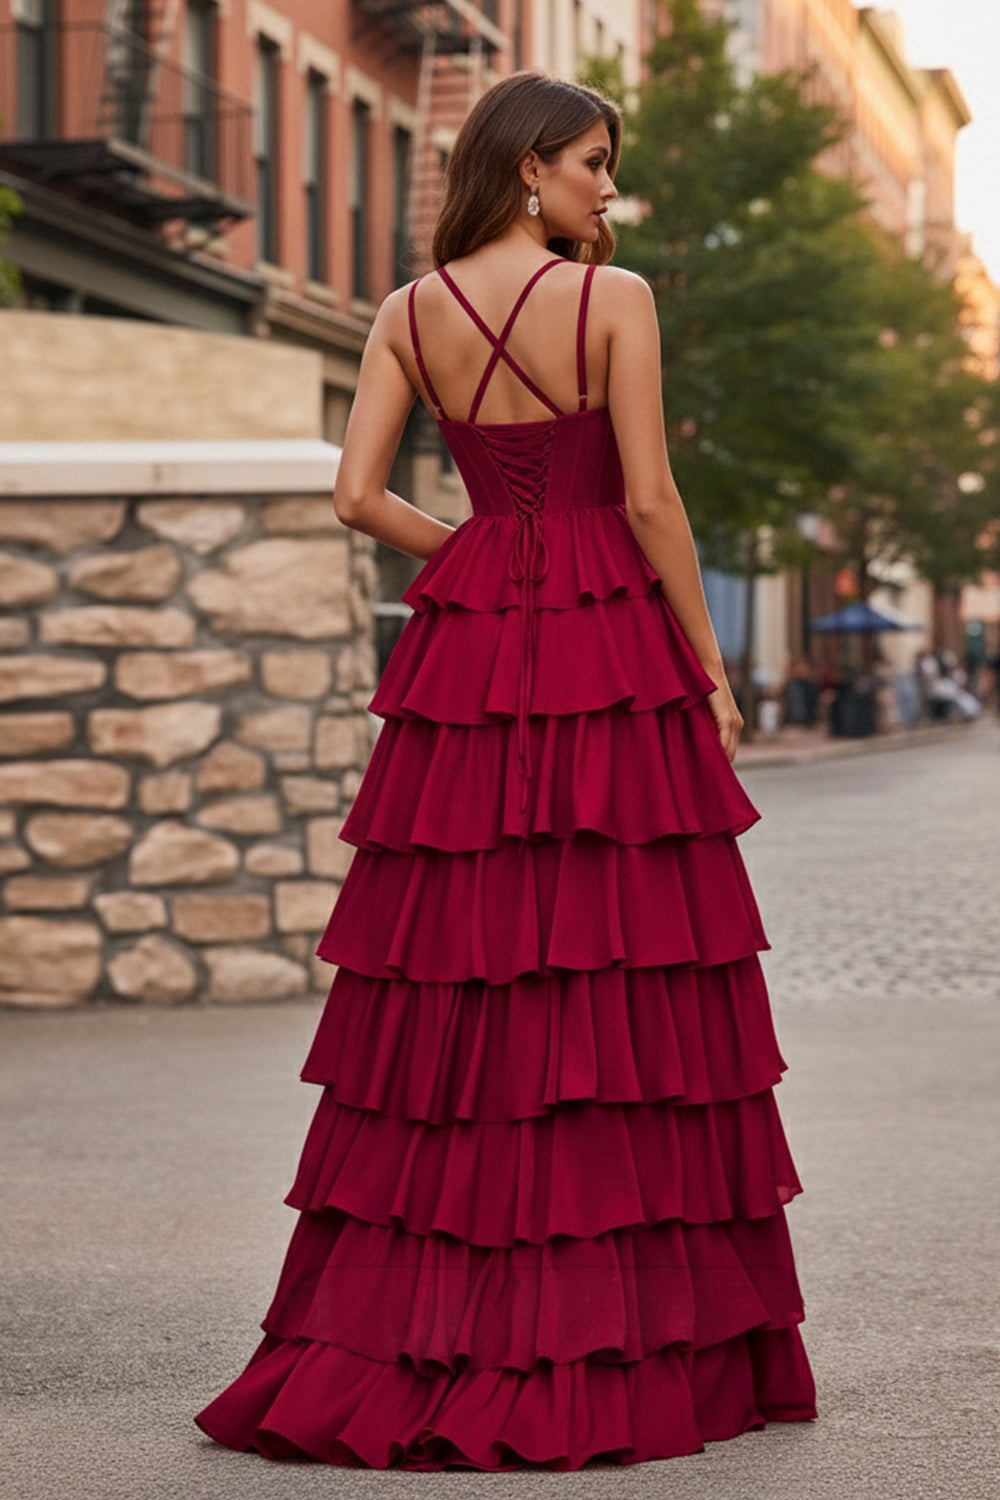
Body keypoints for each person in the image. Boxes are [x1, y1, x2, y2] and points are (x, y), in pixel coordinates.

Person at [194, 70, 817, 1469]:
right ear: (528, 167)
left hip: (472, 658)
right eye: (596, 163)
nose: (610, 188)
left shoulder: (408, 312)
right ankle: (623, 1329)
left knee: (461, 972)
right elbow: (651, 497)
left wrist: (475, 557)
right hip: (608, 647)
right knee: (624, 966)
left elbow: (356, 495)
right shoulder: (618, 301)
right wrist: (710, 668)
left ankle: (416, 1321)